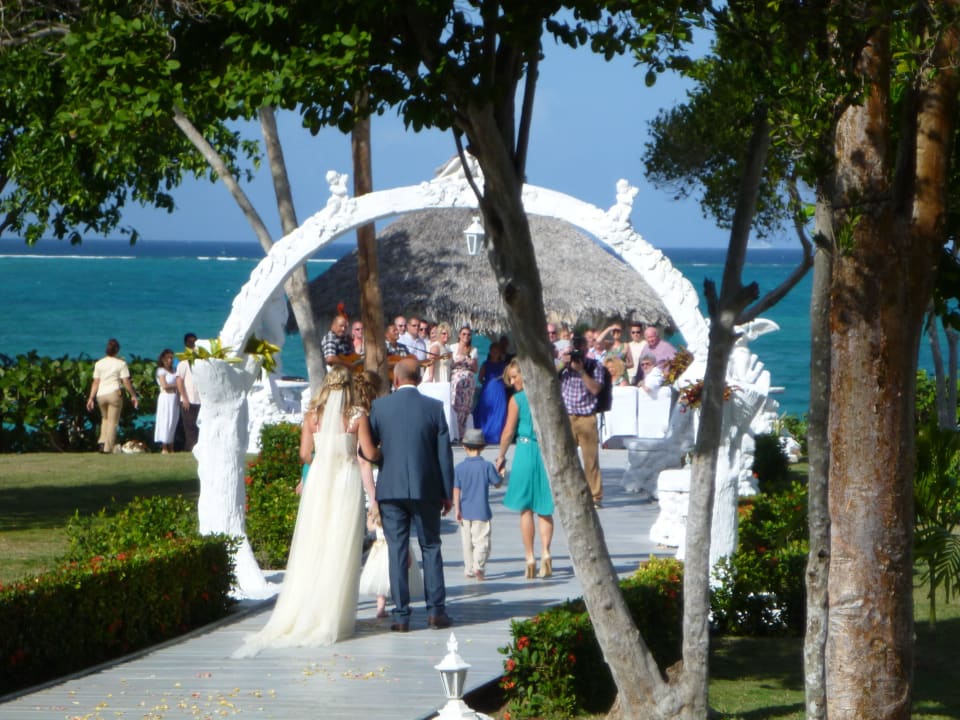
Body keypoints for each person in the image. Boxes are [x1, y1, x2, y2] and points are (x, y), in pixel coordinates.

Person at [234, 366, 378, 655]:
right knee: (340, 547)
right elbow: (369, 454)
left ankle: (309, 608)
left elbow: (304, 455)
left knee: (315, 543)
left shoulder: (312, 416)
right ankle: (333, 616)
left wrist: (322, 456)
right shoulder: (356, 416)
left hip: (320, 480)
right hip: (345, 480)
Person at [363, 357, 455, 632]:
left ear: (396, 379)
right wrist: (446, 492)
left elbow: (368, 449)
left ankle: (401, 615)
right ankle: (436, 612)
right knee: (431, 547)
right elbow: (444, 455)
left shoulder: (380, 407)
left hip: (390, 488)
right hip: (426, 488)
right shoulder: (434, 408)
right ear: (419, 378)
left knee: (397, 550)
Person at [495, 359, 555, 578]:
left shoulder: (518, 399)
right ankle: (546, 553)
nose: (512, 382)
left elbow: (508, 431)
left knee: (525, 507)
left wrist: (501, 456)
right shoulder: (546, 396)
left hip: (525, 450)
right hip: (545, 452)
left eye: (514, 376)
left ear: (524, 375)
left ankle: (530, 556)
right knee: (545, 507)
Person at [558, 336, 605, 507]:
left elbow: (595, 389)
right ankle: (567, 494)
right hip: (567, 416)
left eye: (581, 347)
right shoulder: (564, 365)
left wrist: (581, 371)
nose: (578, 350)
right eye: (575, 347)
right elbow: (549, 377)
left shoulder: (595, 366)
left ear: (587, 348)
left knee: (590, 459)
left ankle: (595, 496)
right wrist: (563, 363)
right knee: (565, 458)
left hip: (586, 417)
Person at [453, 428, 502, 581]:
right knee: (482, 541)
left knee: (467, 543)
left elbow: (456, 489)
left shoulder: (459, 468)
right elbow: (498, 484)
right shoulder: (487, 466)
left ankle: (468, 569)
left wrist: (457, 509)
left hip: (465, 511)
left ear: (464, 447)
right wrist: (501, 473)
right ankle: (478, 567)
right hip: (481, 511)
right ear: (482, 447)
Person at [359, 508, 425, 619]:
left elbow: (370, 527)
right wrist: (408, 554)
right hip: (394, 550)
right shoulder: (395, 522)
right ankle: (402, 605)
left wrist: (369, 517)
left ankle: (380, 608)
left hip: (379, 553)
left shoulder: (378, 522)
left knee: (381, 584)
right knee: (400, 578)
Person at [86, 338, 139, 454]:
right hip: (114, 392)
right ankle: (107, 448)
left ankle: (102, 441)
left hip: (101, 394)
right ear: (117, 350)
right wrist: (133, 395)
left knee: (105, 418)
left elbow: (95, 382)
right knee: (113, 421)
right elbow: (126, 381)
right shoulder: (121, 364)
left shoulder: (99, 363)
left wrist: (91, 398)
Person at [472, 342, 508, 444]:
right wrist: (488, 384)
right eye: (493, 351)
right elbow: (480, 378)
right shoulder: (485, 364)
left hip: (500, 392)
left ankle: (496, 436)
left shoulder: (504, 365)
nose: (495, 353)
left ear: (500, 353)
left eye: (497, 351)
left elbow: (507, 378)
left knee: (499, 413)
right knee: (485, 412)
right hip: (488, 391)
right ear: (490, 351)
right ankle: (485, 435)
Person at [450, 325, 479, 440]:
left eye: (468, 334)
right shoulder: (452, 348)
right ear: (459, 335)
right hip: (456, 381)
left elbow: (476, 369)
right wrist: (458, 361)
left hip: (468, 382)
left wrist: (471, 362)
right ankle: (455, 433)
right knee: (454, 406)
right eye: (464, 334)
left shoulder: (473, 350)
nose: (466, 336)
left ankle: (462, 434)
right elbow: (450, 365)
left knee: (465, 408)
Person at [175, 333, 201, 451]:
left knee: (199, 426)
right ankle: (190, 448)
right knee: (189, 427)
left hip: (199, 399)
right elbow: (179, 381)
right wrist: (184, 398)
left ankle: (197, 447)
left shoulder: (200, 362)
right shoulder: (183, 363)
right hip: (188, 400)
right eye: (191, 342)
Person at [153, 348, 180, 454]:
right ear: (163, 359)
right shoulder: (161, 371)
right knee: (165, 420)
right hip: (165, 398)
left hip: (174, 398)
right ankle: (164, 446)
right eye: (168, 358)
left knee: (173, 421)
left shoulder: (174, 371)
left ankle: (171, 446)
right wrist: (177, 385)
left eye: (171, 358)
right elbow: (165, 385)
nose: (170, 360)